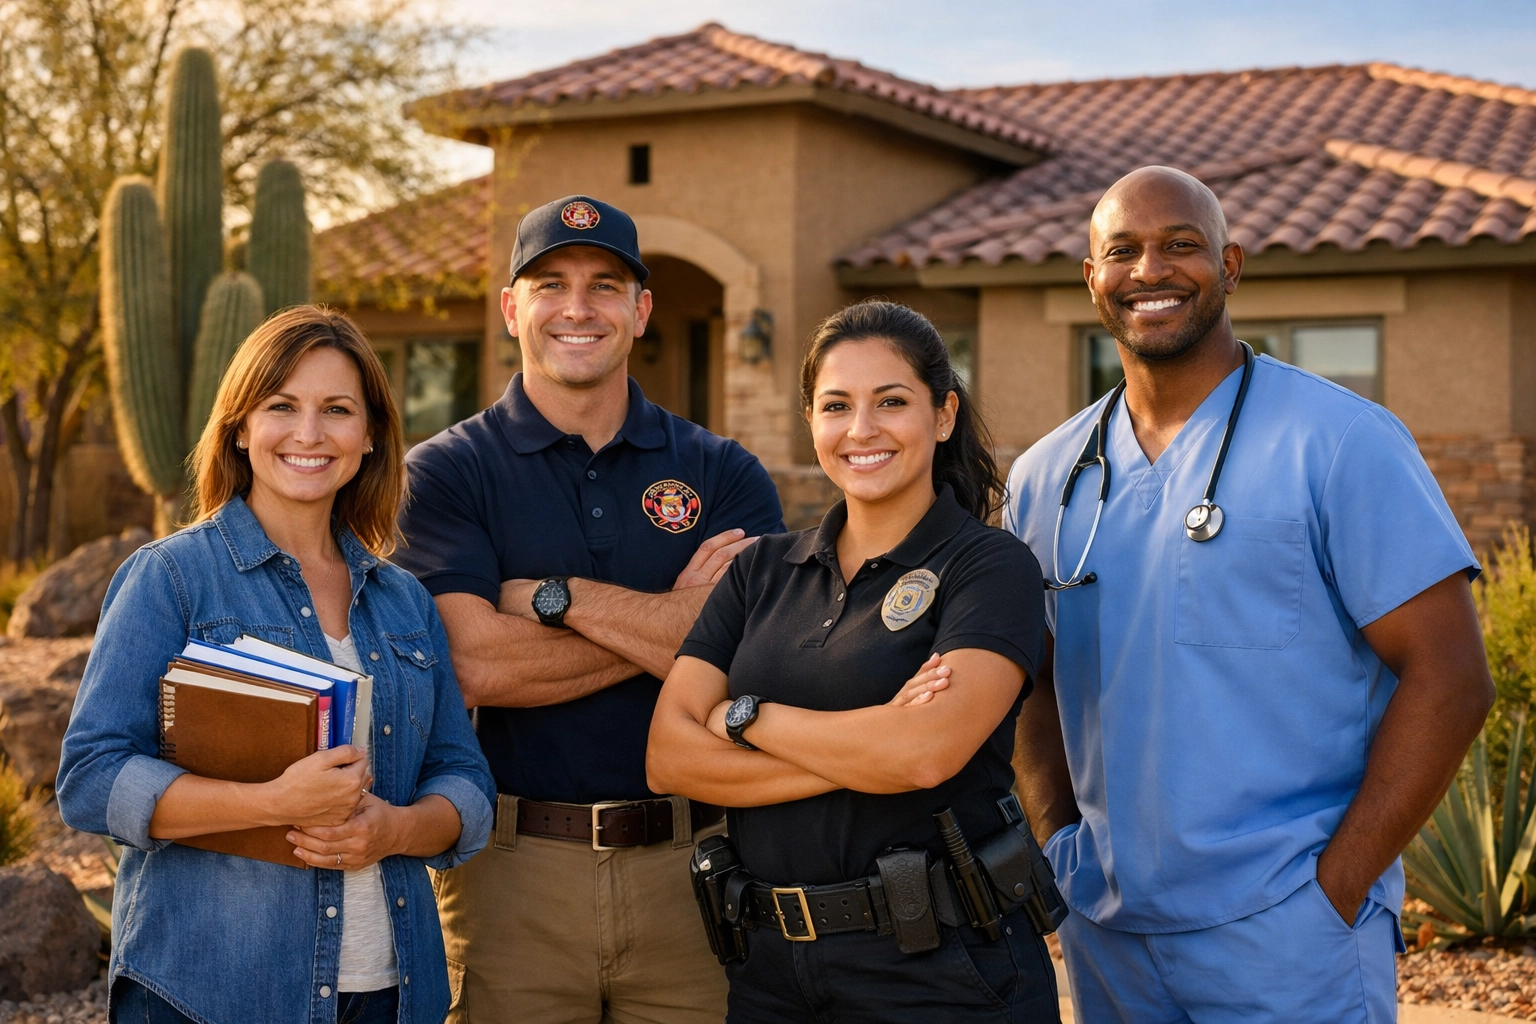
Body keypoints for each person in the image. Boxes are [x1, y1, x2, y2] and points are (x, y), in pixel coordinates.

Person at [1004, 165, 1496, 1023]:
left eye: (1180, 246)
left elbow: (1451, 677)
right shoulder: (1046, 476)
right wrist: (1057, 847)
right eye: (1121, 251)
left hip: (1291, 938)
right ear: (1091, 278)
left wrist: (1334, 890)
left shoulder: (1340, 441)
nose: (1149, 270)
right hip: (1107, 934)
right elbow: (1028, 679)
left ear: (1230, 266)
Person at [393, 195, 785, 1023]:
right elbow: (476, 662)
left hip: (694, 867)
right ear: (511, 310)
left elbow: (757, 653)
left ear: (641, 310)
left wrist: (557, 603)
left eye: (605, 286)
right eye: (549, 285)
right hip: (510, 875)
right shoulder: (444, 474)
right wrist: (680, 619)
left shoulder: (723, 471)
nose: (578, 308)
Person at [56, 306, 496, 1024]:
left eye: (338, 410)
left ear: (372, 435)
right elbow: (92, 778)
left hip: (391, 990)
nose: (309, 434)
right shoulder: (171, 579)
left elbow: (464, 779)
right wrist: (270, 806)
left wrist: (393, 830)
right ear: (240, 426)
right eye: (281, 406)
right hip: (212, 995)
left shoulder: (404, 601)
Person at [648, 299, 1062, 1023]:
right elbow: (669, 758)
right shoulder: (760, 571)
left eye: (891, 402)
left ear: (942, 416)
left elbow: (926, 756)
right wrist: (873, 742)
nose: (861, 430)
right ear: (812, 421)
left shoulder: (991, 568)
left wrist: (746, 717)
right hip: (771, 970)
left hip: (942, 970)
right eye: (836, 405)